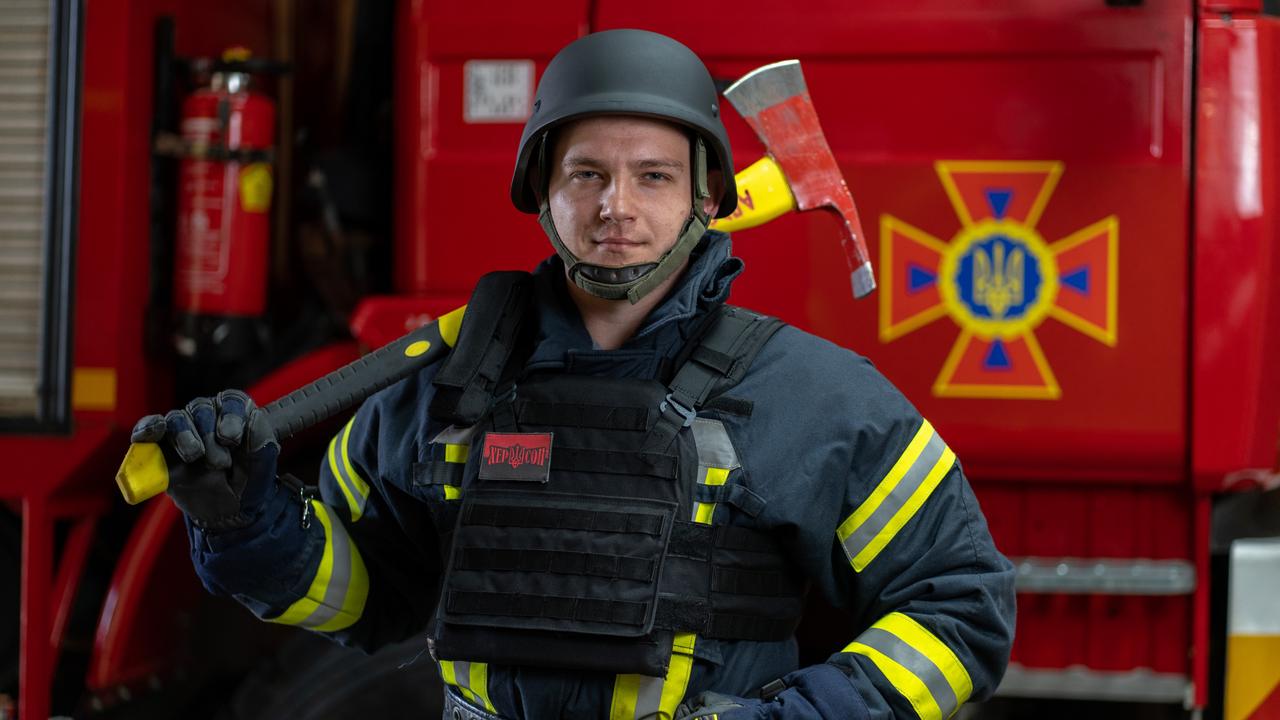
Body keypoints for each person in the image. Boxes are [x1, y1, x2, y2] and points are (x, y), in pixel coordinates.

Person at [131, 29, 1015, 720]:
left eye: (653, 177)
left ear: (708, 198)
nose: (615, 209)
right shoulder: (433, 394)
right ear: (542, 190)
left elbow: (963, 605)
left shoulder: (814, 401)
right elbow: (362, 598)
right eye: (585, 173)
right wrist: (245, 521)